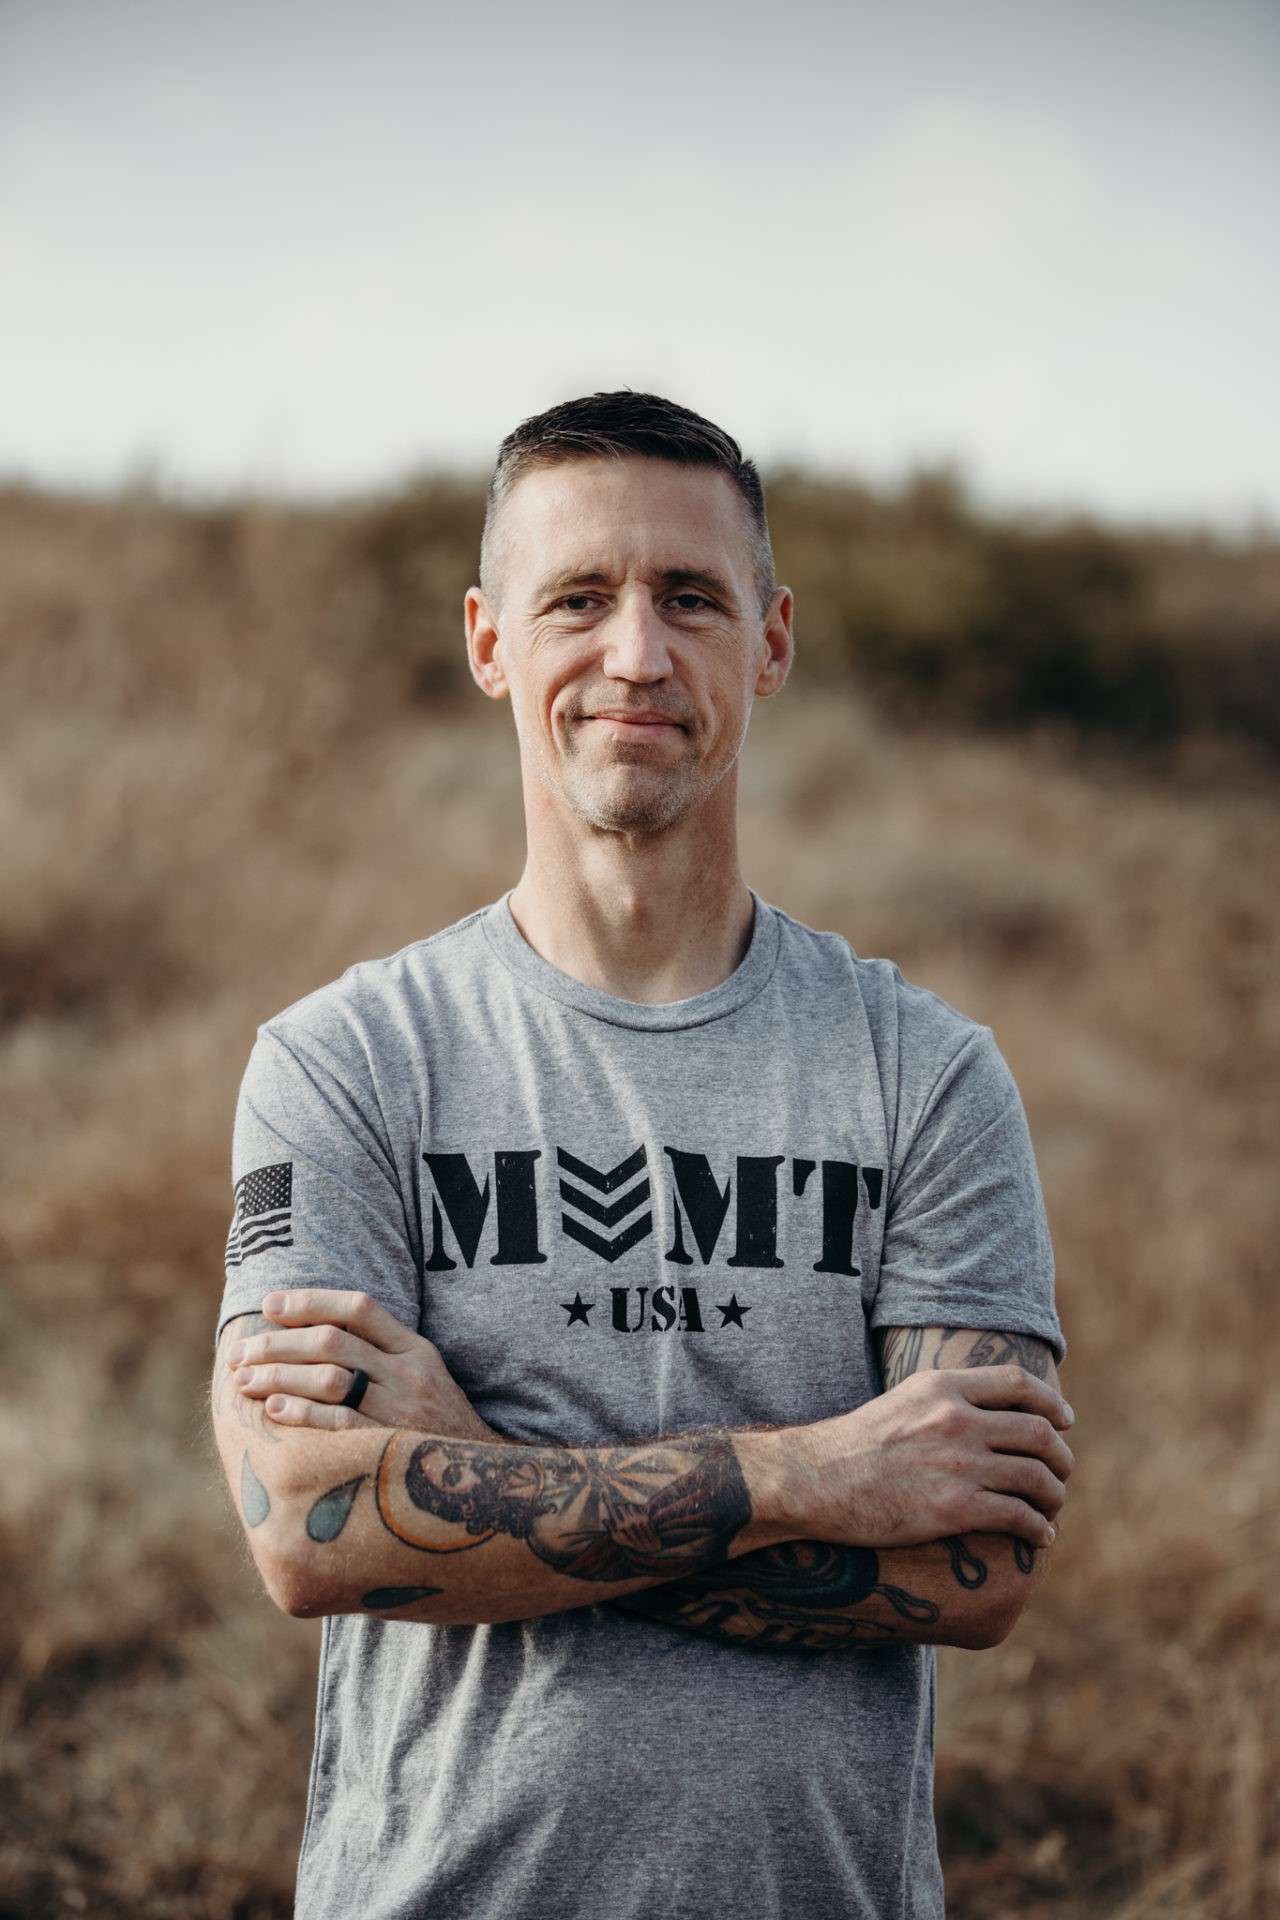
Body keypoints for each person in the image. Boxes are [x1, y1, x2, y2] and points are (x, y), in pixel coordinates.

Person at [211, 391, 1072, 1920]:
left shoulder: (923, 1073)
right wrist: (820, 1475)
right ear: (488, 641)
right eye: (578, 599)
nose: (635, 656)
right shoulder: (344, 1065)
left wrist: (477, 1463)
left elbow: (969, 1573)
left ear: (773, 639)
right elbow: (317, 1533)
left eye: (690, 596)